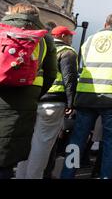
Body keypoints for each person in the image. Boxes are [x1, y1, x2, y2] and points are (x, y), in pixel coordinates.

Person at [61, 13, 112, 179]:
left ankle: (67, 175)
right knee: (109, 143)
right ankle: (106, 176)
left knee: (77, 140)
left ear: (105, 23)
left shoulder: (90, 40)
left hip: (86, 96)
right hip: (111, 98)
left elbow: (83, 64)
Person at [0, 3, 57, 179]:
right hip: (24, 100)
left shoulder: (2, 29)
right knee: (6, 157)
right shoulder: (45, 39)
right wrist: (35, 94)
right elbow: (51, 73)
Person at [16, 26, 77, 179]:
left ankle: (20, 176)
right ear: (63, 36)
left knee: (28, 142)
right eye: (69, 36)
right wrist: (71, 103)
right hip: (53, 102)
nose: (71, 39)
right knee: (42, 145)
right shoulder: (67, 52)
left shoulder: (39, 46)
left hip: (33, 98)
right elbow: (69, 79)